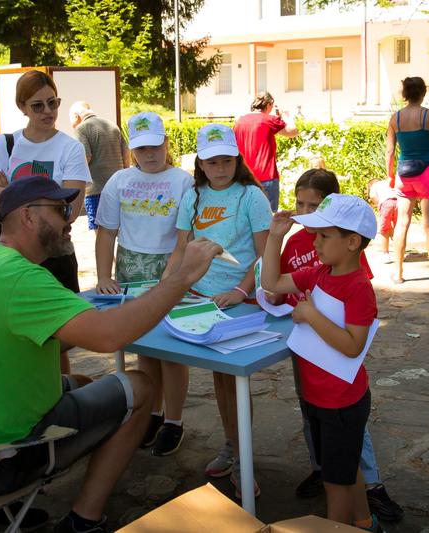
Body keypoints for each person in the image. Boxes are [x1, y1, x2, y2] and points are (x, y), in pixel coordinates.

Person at [0, 176, 222, 533]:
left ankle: (3, 512)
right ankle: (83, 519)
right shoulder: (23, 280)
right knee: (141, 385)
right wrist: (180, 279)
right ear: (27, 217)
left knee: (83, 382)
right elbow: (109, 337)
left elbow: (61, 337)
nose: (70, 218)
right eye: (58, 210)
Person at [274, 170, 403, 522]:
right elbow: (271, 281)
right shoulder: (319, 273)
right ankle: (365, 522)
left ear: (351, 242)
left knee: (335, 483)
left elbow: (352, 345)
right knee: (346, 474)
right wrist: (274, 239)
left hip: (342, 403)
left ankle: (340, 526)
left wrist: (311, 316)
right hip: (318, 398)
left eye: (324, 235)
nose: (314, 241)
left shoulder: (358, 287)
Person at [162, 123, 272, 498]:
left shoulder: (252, 197)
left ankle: (243, 459)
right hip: (200, 299)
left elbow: (264, 255)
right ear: (201, 164)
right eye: (212, 162)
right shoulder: (193, 195)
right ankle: (231, 445)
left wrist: (241, 290)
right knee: (220, 380)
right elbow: (180, 250)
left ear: (237, 160)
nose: (220, 168)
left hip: (238, 300)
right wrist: (166, 290)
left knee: (236, 382)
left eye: (227, 160)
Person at [94, 112, 193, 456]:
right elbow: (107, 232)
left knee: (173, 351)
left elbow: (188, 235)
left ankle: (174, 421)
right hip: (130, 272)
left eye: (155, 146)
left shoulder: (183, 181)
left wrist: (179, 274)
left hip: (169, 267)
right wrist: (104, 275)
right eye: (141, 149)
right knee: (145, 349)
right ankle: (152, 412)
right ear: (132, 149)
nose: (149, 155)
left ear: (166, 143)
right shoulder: (119, 181)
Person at [0, 70, 90, 374]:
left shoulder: (71, 147)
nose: (48, 112)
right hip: (12, 254)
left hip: (54, 250)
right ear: (22, 107)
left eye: (53, 103)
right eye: (37, 105)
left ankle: (59, 401)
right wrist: (45, 200)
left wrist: (9, 191)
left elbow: (71, 207)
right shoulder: (6, 144)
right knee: (12, 334)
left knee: (57, 339)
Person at [386, 77, 429, 287]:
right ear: (424, 92)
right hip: (428, 172)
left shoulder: (395, 118)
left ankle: (397, 273)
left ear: (404, 93)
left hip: (404, 174)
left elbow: (390, 151)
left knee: (402, 223)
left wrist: (390, 175)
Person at [69, 101, 129, 230]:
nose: (72, 125)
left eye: (71, 121)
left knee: (100, 231)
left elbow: (85, 157)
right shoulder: (112, 125)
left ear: (76, 116)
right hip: (118, 187)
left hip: (96, 189)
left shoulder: (82, 129)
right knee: (119, 228)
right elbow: (126, 153)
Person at [234, 91, 298, 211]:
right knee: (268, 218)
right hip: (266, 176)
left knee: (245, 216)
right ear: (268, 105)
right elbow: (292, 131)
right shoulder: (268, 120)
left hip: (243, 177)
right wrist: (286, 115)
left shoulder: (239, 122)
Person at [367, 178, 399, 264]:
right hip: (399, 202)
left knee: (384, 230)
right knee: (399, 229)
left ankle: (386, 254)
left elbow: (372, 196)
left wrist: (379, 203)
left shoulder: (374, 186)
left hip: (386, 204)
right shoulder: (387, 182)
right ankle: (399, 253)